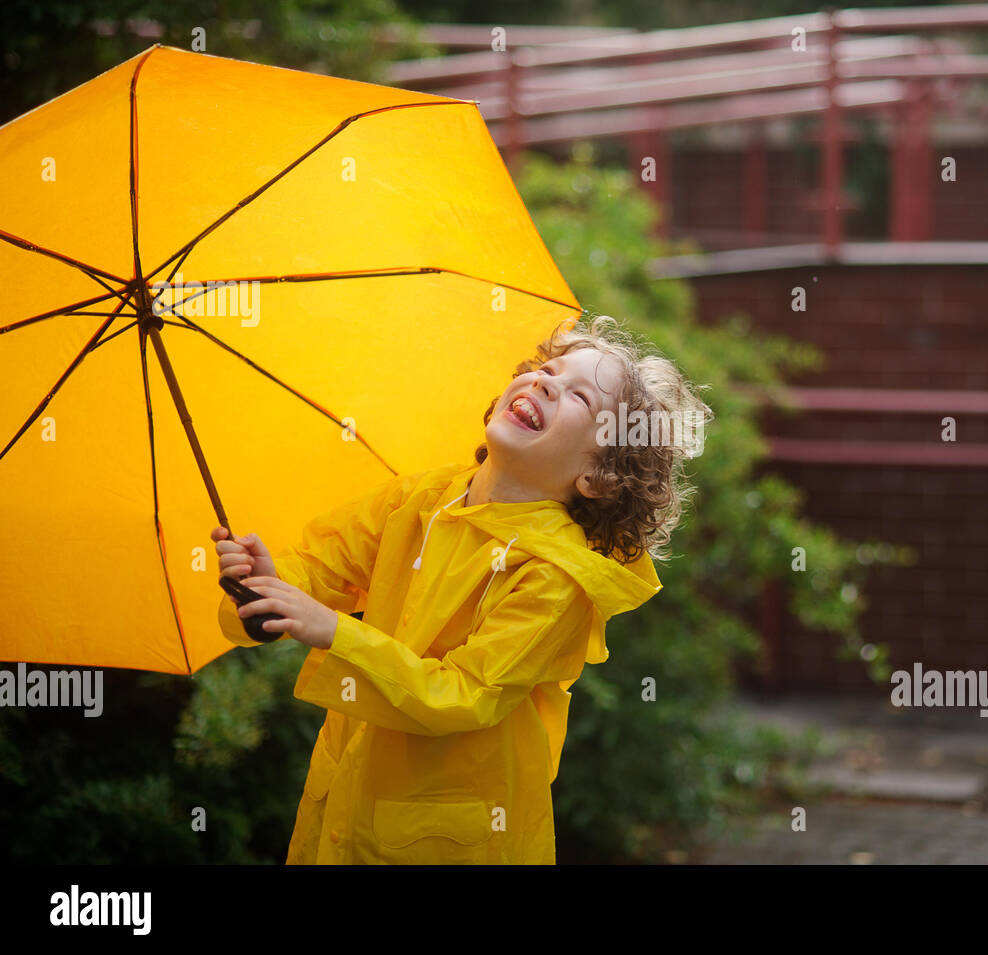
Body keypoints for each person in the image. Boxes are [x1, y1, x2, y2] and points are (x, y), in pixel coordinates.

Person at [210, 314, 711, 864]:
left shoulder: (557, 575)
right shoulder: (419, 498)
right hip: (344, 807)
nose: (545, 382)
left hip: (457, 838)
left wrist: (333, 632)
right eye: (547, 369)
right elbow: (318, 565)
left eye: (580, 397)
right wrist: (266, 585)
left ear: (598, 475)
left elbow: (465, 694)